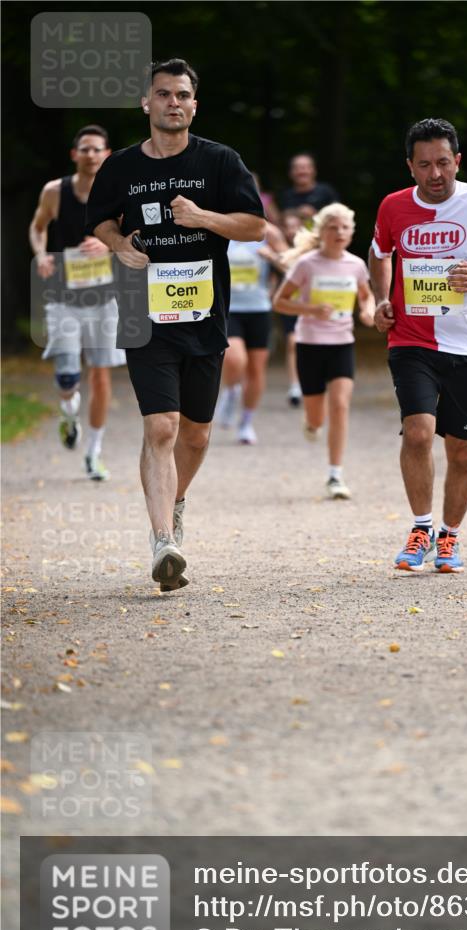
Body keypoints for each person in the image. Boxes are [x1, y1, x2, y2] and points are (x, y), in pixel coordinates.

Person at [86, 58, 265, 589]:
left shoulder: (220, 161)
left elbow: (255, 226)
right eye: (163, 94)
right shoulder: (120, 167)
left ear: (194, 104)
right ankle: (163, 540)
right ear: (146, 103)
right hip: (144, 313)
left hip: (204, 314)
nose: (173, 103)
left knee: (198, 433)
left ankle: (175, 500)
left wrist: (204, 218)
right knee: (160, 426)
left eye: (183, 95)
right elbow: (99, 219)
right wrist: (120, 246)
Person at [369, 117, 467, 572]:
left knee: (463, 449)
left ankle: (449, 537)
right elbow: (379, 255)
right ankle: (420, 527)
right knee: (416, 432)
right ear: (410, 167)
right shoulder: (393, 207)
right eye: (424, 165)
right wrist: (380, 300)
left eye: (443, 163)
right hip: (411, 339)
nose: (436, 174)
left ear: (457, 160)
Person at [29, 125, 126, 480]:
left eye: (96, 149)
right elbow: (37, 227)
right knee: (68, 375)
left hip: (104, 299)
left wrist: (108, 243)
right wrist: (41, 255)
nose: (90, 155)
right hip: (64, 297)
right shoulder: (55, 191)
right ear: (75, 155)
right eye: (84, 149)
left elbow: (134, 234)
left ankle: (94, 452)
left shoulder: (118, 192)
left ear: (106, 154)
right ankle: (69, 412)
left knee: (100, 375)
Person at [273, 202, 375, 499]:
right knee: (317, 417)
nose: (339, 232)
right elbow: (280, 302)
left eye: (344, 227)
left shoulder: (356, 265)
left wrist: (367, 312)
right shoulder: (307, 264)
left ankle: (335, 475)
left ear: (351, 232)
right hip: (310, 345)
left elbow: (367, 297)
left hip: (342, 344)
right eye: (333, 227)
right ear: (322, 232)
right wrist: (310, 309)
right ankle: (311, 422)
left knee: (341, 405)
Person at [214, 220, 288, 444]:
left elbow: (292, 265)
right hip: (228, 309)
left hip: (259, 309)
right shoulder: (218, 226)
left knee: (256, 370)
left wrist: (273, 257)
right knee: (235, 359)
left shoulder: (269, 232)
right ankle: (230, 391)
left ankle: (246, 422)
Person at [279, 210, 305, 406]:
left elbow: (292, 270)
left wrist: (271, 257)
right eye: (287, 226)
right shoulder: (279, 247)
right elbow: (274, 277)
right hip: (289, 303)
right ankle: (294, 385)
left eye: (295, 226)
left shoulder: (311, 250)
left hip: (310, 303)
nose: (291, 231)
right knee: (292, 342)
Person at [278, 153, 338, 221]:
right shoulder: (285, 195)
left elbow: (338, 214)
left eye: (305, 167)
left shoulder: (326, 191)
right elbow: (280, 218)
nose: (301, 171)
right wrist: (297, 212)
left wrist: (315, 214)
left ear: (314, 171)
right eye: (296, 168)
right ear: (290, 173)